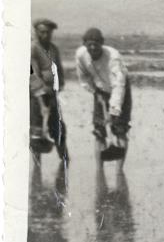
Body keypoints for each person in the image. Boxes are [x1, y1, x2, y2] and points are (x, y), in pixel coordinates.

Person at [75, 27, 133, 170]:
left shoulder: (113, 57)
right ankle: (99, 170)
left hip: (120, 90)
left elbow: (118, 85)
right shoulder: (81, 55)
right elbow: (84, 78)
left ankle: (119, 170)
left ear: (101, 43)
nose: (93, 48)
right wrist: (95, 91)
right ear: (84, 44)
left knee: (120, 128)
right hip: (100, 89)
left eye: (96, 44)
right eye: (89, 44)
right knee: (99, 129)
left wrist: (114, 109)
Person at [30, 18, 69, 162]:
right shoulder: (33, 48)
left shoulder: (54, 49)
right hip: (36, 96)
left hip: (52, 95)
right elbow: (33, 75)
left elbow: (59, 70)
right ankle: (36, 167)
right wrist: (42, 103)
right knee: (37, 131)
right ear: (36, 32)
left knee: (58, 128)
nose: (45, 35)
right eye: (42, 32)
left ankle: (64, 161)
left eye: (48, 32)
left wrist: (60, 85)